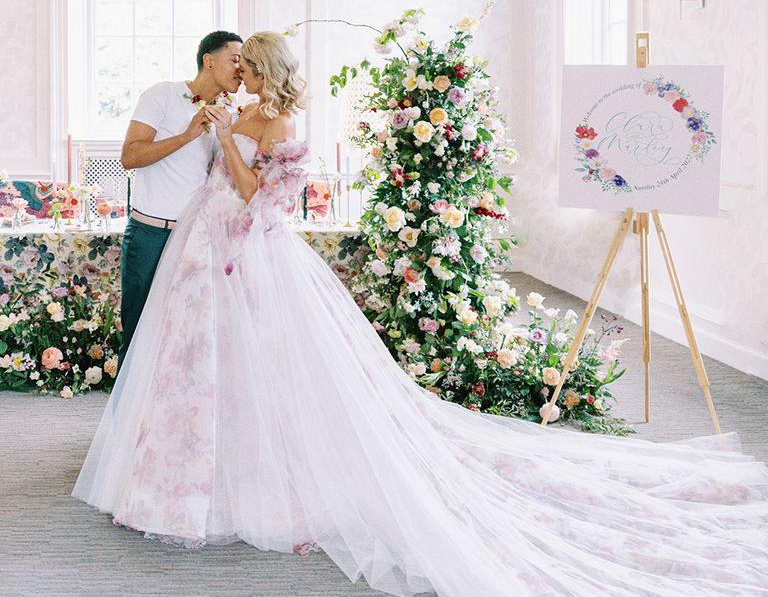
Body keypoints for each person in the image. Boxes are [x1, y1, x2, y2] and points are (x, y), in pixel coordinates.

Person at [74, 32, 768, 597]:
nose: (242, 77)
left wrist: (225, 138)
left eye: (249, 68)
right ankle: (180, 476)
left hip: (250, 253)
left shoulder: (278, 122)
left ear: (267, 72)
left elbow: (261, 196)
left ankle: (257, 482)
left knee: (264, 367)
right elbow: (193, 172)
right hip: (203, 249)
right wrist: (215, 141)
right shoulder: (226, 108)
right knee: (193, 367)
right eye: (239, 67)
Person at [117, 31, 242, 367]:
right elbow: (130, 156)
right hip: (150, 234)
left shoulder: (231, 115)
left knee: (189, 336)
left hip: (197, 239)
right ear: (209, 60)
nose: (241, 70)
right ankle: (124, 420)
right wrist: (188, 135)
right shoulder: (163, 95)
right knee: (139, 330)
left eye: (244, 65)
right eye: (234, 60)